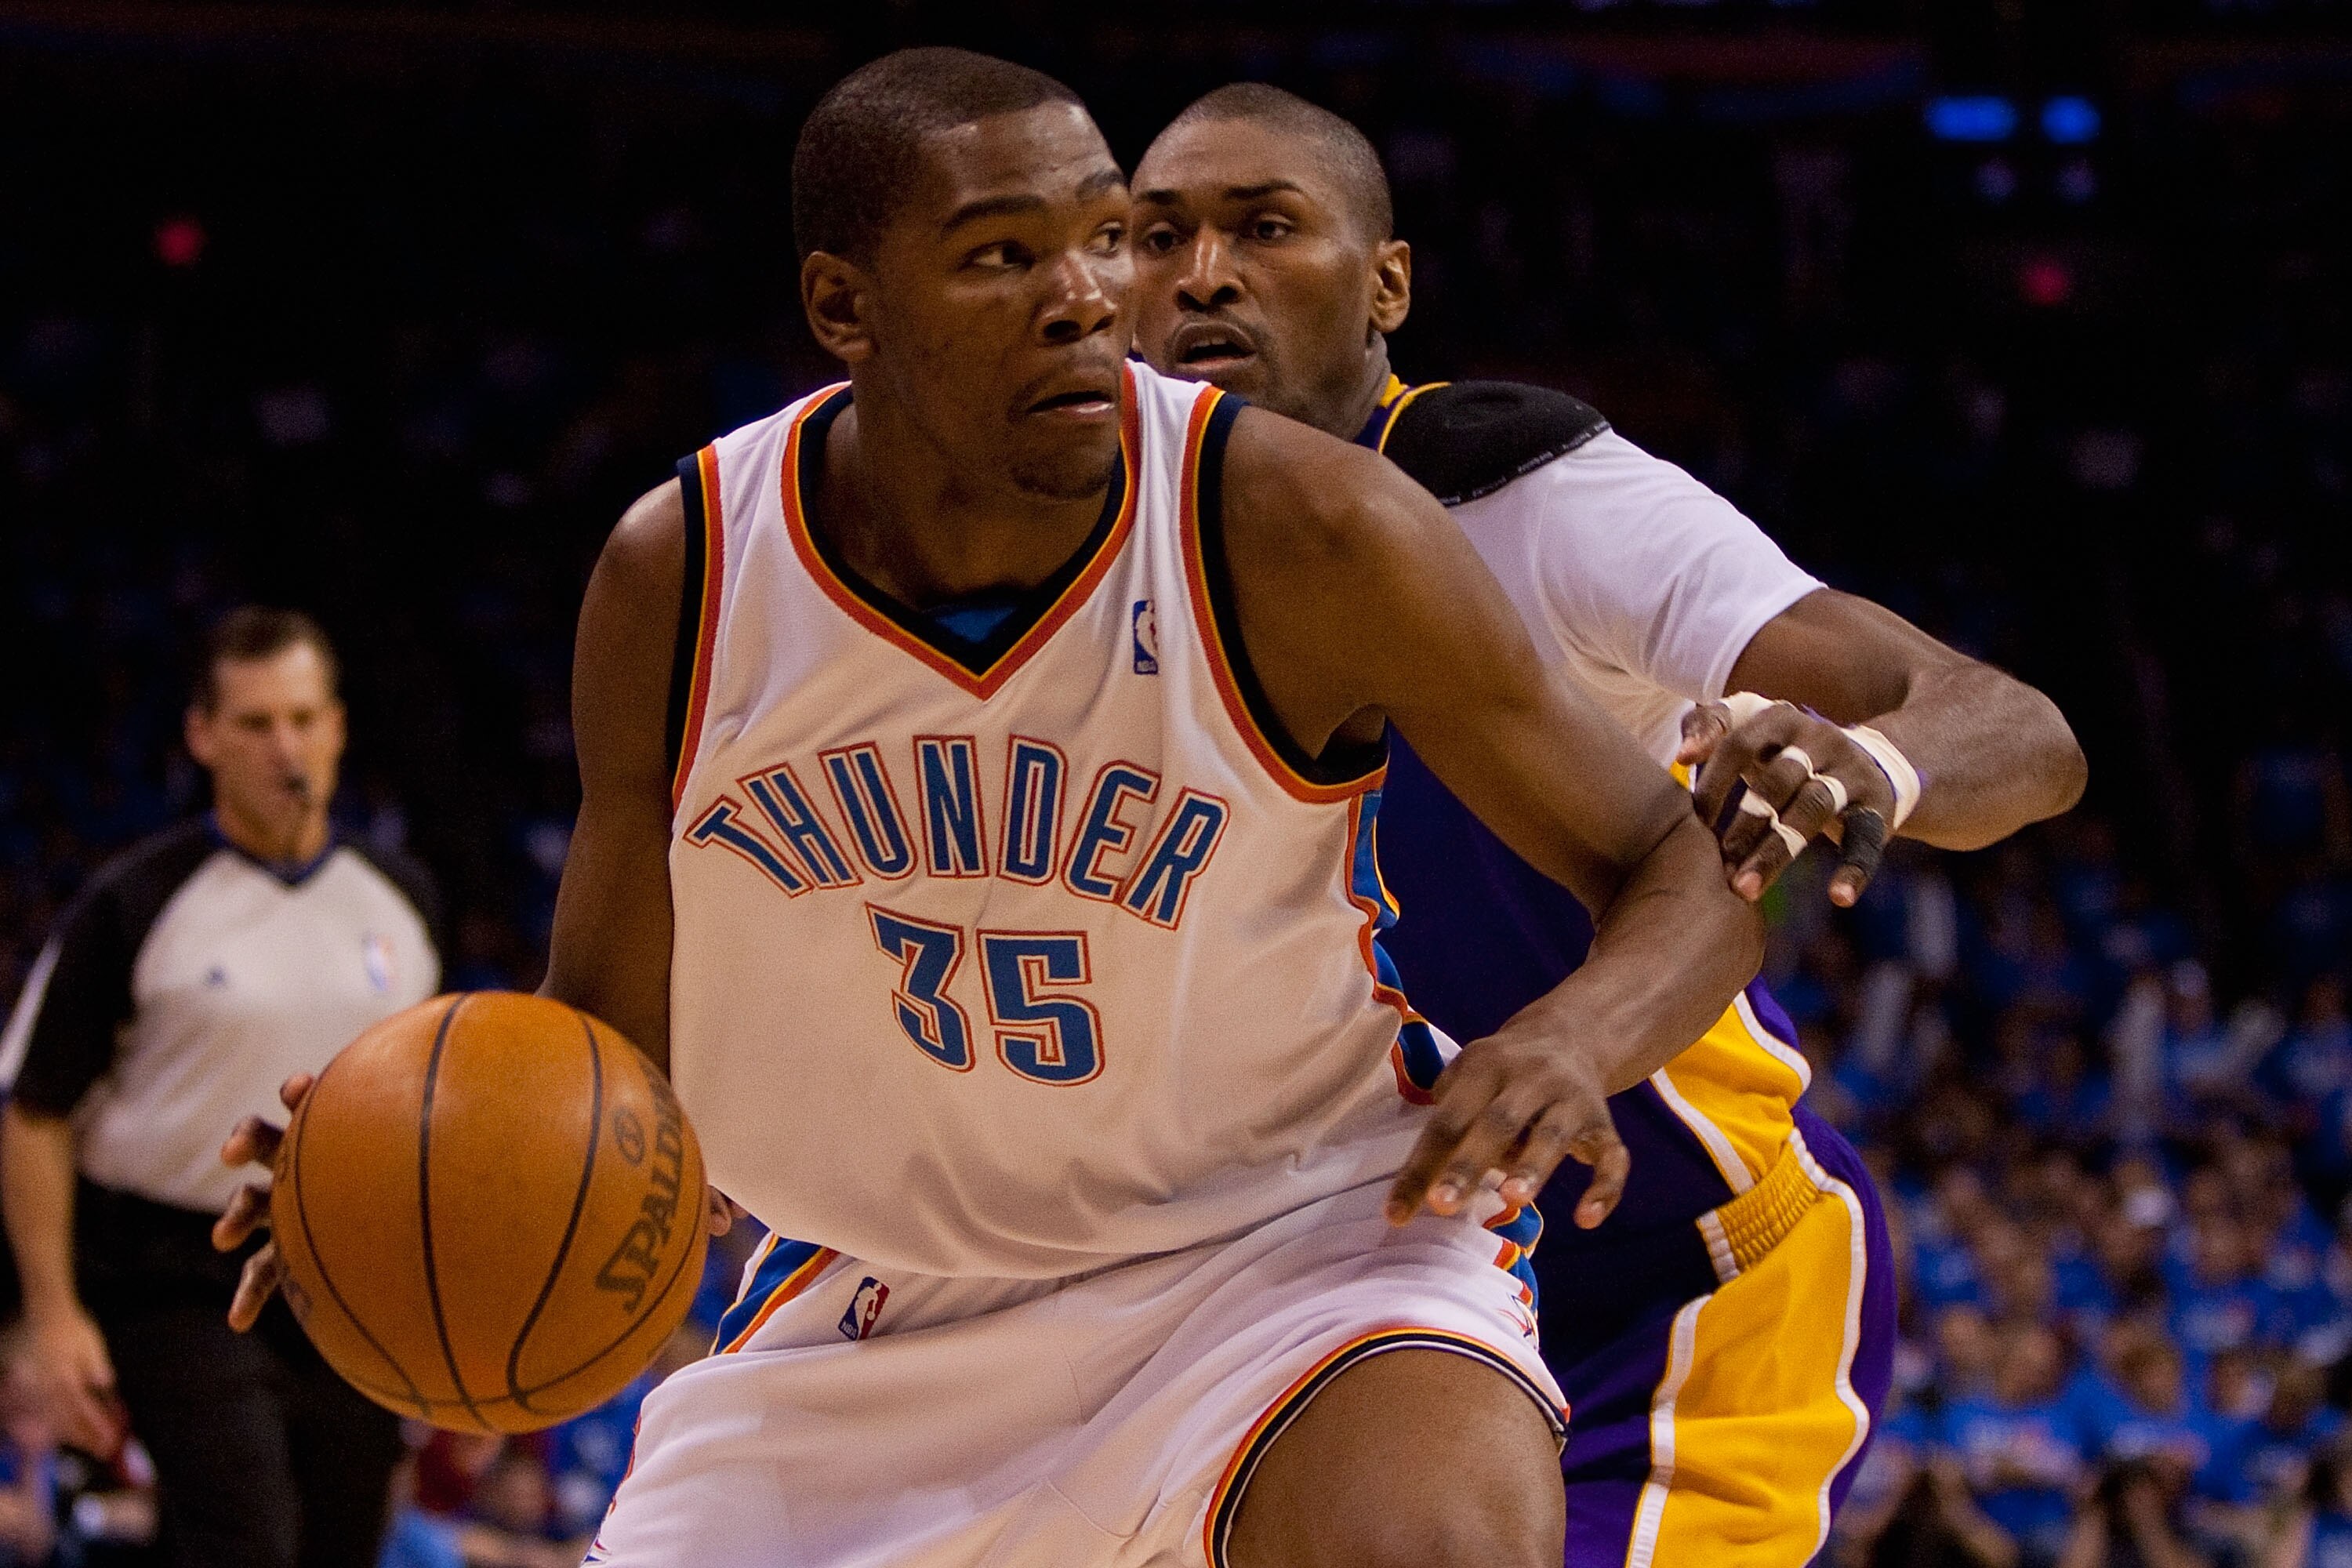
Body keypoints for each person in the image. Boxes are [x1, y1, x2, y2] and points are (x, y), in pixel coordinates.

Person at [218, 48, 1766, 1568]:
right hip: (871, 1305)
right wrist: (397, 1159)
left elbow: (1675, 857)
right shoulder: (683, 576)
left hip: (1298, 1245)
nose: (1087, 295)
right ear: (845, 309)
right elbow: (615, 1044)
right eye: (1001, 255)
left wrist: (1576, 1036)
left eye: (1102, 236)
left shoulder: (1304, 527)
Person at [1125, 82, 2086, 1566]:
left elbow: (2014, 727)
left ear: (1387, 284)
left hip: (1659, 1295)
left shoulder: (1531, 499)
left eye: (1264, 228)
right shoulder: (1078, 563)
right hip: (1318, 1306)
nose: (1201, 273)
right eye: (1155, 235)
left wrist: (1871, 763)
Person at [0, 608, 440, 1568]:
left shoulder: (402, 900)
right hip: (173, 1269)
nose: (284, 745)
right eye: (254, 722)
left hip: (349, 1271)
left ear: (337, 726)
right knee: (243, 1536)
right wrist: (50, 1311)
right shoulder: (135, 904)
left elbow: (437, 1119)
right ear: (202, 736)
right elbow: (32, 1110)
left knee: (339, 1541)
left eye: (302, 716)